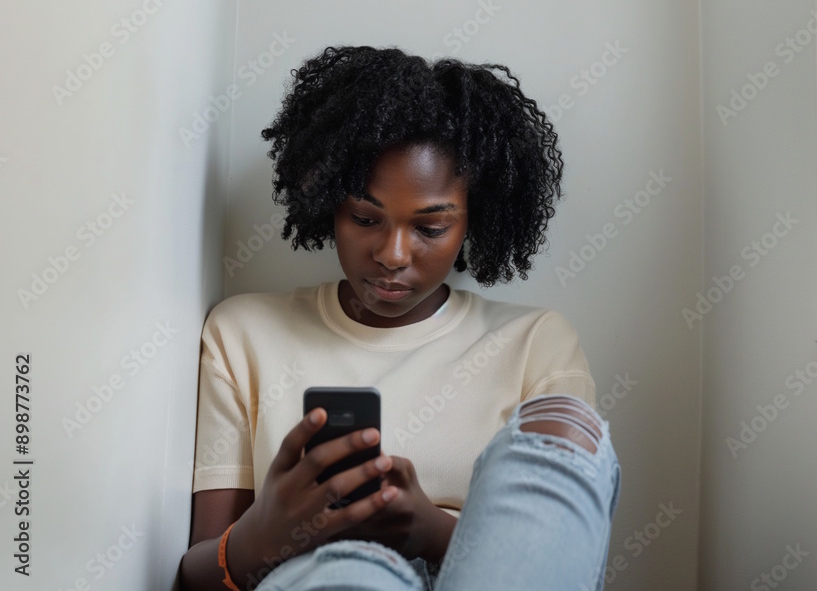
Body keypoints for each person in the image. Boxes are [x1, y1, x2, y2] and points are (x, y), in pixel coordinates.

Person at [179, 46, 620, 590]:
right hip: (322, 577)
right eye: (365, 218)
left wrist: (430, 531)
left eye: (430, 229)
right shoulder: (244, 333)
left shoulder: (534, 342)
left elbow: (563, 554)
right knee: (353, 569)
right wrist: (269, 534)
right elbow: (197, 574)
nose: (391, 254)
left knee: (561, 425)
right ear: (328, 206)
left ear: (471, 224)